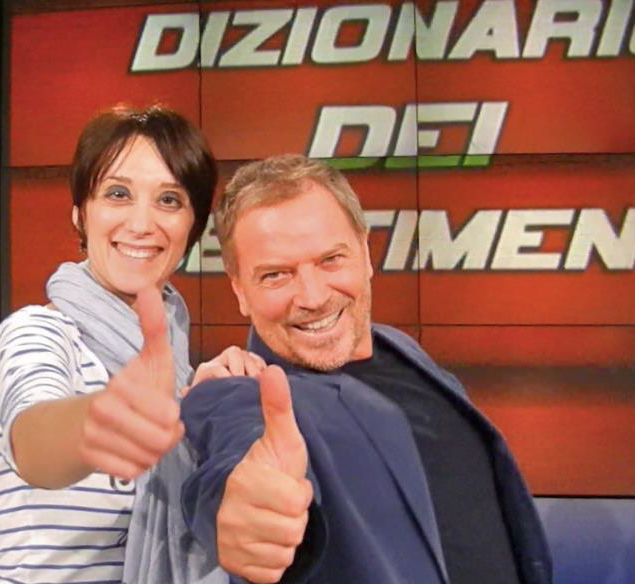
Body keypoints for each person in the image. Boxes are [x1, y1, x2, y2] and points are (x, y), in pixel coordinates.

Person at [125, 154, 552, 584]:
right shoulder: (240, 391)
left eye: (331, 260)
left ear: (365, 253)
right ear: (240, 291)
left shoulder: (402, 350)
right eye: (276, 275)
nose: (313, 297)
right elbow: (235, 457)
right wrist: (244, 513)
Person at [0, 105, 263, 584]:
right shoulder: (35, 333)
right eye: (118, 193)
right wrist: (104, 419)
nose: (142, 223)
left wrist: (203, 408)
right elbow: (34, 442)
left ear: (191, 229)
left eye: (169, 200)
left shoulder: (175, 370)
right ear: (80, 214)